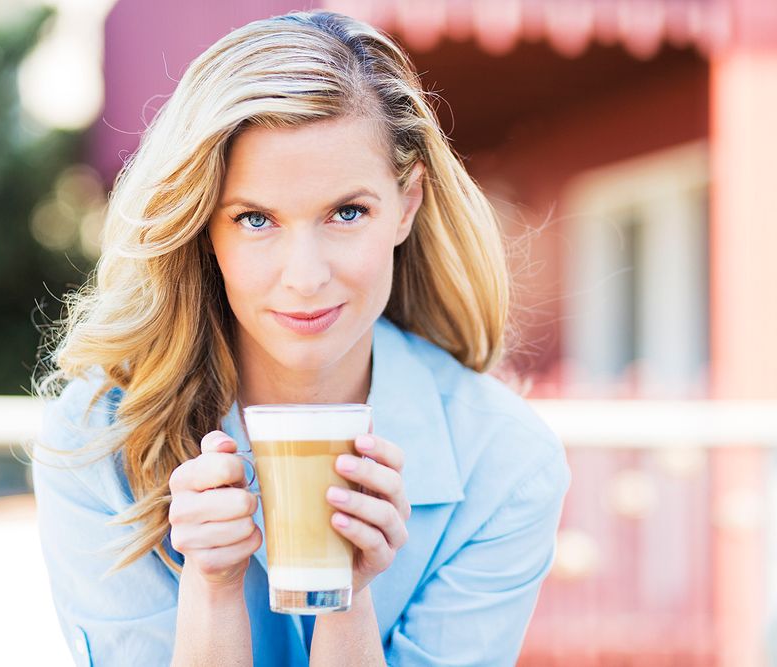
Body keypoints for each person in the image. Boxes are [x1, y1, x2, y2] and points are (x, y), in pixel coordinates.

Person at [30, 9, 571, 667]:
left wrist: (349, 601)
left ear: (407, 203)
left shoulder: (507, 465)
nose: (306, 277)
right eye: (256, 219)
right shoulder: (96, 443)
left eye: (347, 212)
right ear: (205, 226)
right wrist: (212, 586)